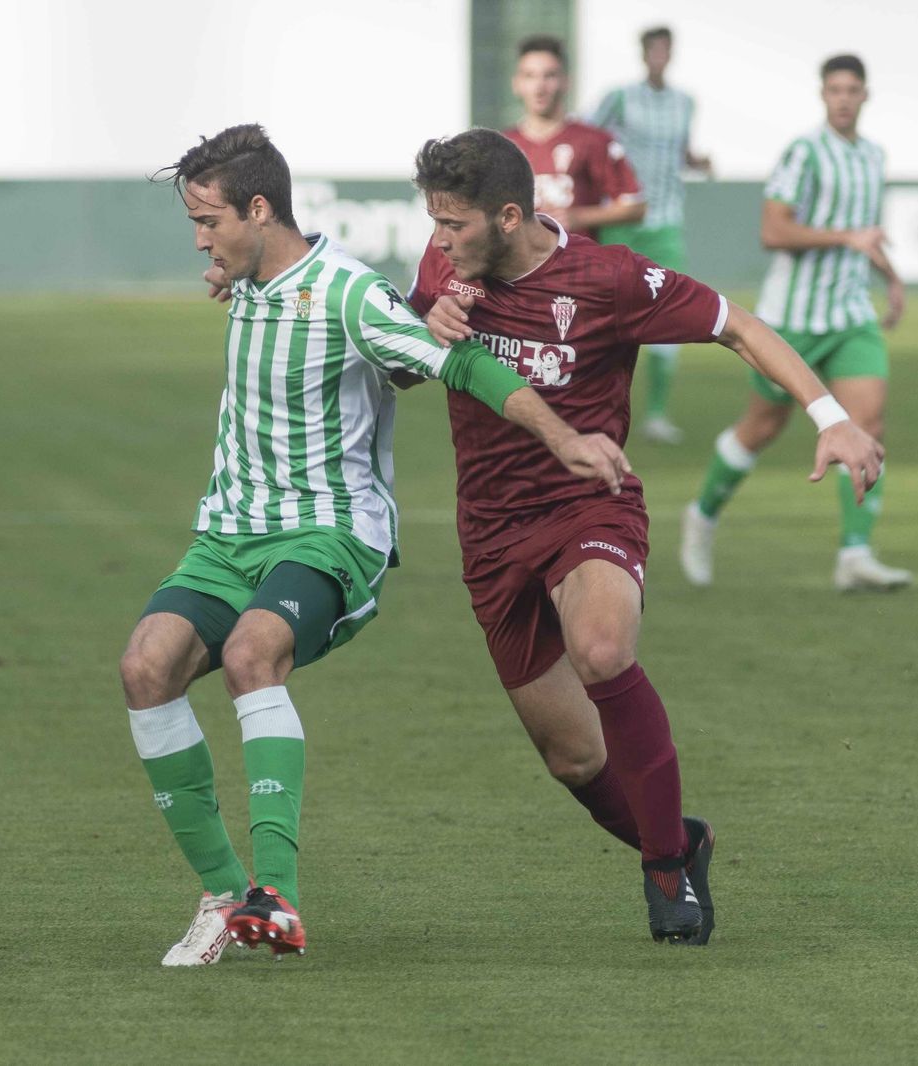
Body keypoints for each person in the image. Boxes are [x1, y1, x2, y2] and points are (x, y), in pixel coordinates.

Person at [126, 123, 592, 966]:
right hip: (229, 532)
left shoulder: (349, 294)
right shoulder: (249, 277)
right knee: (145, 669)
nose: (200, 239)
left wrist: (564, 438)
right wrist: (229, 272)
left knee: (250, 654)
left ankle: (276, 895)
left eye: (209, 221)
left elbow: (464, 368)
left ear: (260, 209)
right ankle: (223, 894)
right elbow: (259, 289)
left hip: (330, 532)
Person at [409, 128, 884, 944]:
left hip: (590, 503)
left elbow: (740, 325)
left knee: (601, 649)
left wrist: (831, 416)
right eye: (436, 225)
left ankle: (664, 871)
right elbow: (411, 326)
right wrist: (431, 311)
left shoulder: (610, 278)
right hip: (490, 534)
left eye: (454, 225)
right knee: (576, 762)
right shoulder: (445, 260)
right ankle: (683, 840)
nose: (440, 240)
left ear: (511, 215)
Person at [680, 54, 911, 592]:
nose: (844, 98)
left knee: (868, 423)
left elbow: (864, 232)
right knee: (762, 427)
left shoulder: (874, 156)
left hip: (850, 314)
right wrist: (846, 238)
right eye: (835, 89)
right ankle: (703, 514)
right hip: (793, 319)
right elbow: (773, 230)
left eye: (853, 88)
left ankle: (855, 554)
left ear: (865, 95)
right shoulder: (804, 153)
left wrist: (891, 277)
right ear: (823, 94)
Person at [590, 26, 713, 445]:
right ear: (644, 54)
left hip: (666, 222)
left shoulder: (685, 103)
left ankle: (657, 414)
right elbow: (587, 139)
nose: (659, 55)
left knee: (670, 313)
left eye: (665, 49)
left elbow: (680, 152)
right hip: (623, 218)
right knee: (600, 315)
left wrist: (698, 160)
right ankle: (589, 402)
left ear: (671, 54)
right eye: (653, 49)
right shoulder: (619, 97)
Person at [504, 35, 644, 242]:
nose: (539, 86)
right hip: (518, 269)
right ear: (517, 84)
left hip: (578, 265)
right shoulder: (503, 146)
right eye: (530, 76)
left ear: (565, 81)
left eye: (549, 75)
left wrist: (580, 216)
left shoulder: (593, 140)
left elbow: (635, 206)